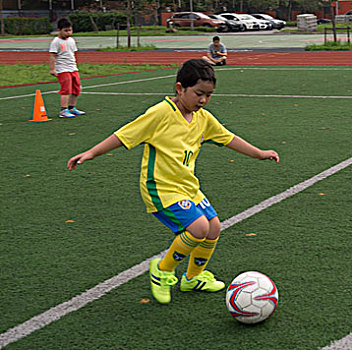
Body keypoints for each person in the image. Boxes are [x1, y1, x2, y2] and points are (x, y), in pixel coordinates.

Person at [67, 59, 279, 304]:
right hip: (161, 188)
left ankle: (193, 277)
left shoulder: (203, 119)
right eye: (199, 94)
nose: (203, 101)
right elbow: (125, 134)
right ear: (180, 89)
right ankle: (163, 270)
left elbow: (229, 138)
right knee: (198, 228)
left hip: (188, 187)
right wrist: (92, 152)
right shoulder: (160, 114)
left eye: (208, 95)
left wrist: (259, 153)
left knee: (213, 228)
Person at [49, 18, 85, 118]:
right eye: (66, 30)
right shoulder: (56, 42)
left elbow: (72, 53)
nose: (68, 32)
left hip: (73, 68)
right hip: (62, 69)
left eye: (70, 30)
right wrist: (52, 69)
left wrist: (75, 65)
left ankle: (72, 107)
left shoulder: (72, 40)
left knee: (76, 88)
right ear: (59, 30)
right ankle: (63, 110)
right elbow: (52, 56)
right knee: (66, 89)